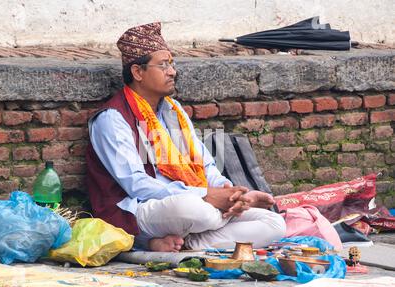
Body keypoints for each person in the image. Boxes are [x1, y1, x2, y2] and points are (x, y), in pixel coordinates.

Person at [86, 22, 286, 252]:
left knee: (274, 223)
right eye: (162, 65)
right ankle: (157, 238)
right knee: (193, 210)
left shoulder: (173, 111)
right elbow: (137, 185)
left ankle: (191, 243)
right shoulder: (113, 119)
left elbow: (204, 164)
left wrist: (229, 193)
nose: (172, 72)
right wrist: (207, 196)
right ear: (138, 72)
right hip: (143, 209)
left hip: (195, 202)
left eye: (171, 64)